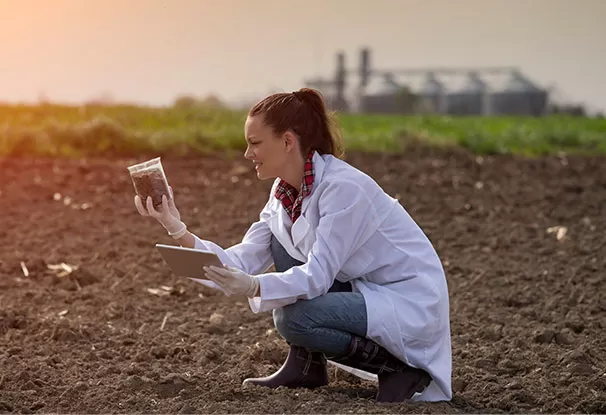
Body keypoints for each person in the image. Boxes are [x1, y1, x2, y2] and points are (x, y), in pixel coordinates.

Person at [134, 88, 452, 403]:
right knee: (281, 241)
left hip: (407, 297)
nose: (247, 154)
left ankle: (397, 370)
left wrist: (255, 286)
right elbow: (238, 261)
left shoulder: (343, 189)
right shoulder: (284, 192)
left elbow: (317, 276)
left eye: (255, 143)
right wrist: (175, 226)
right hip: (365, 287)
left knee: (293, 319)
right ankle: (306, 366)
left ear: (287, 141)